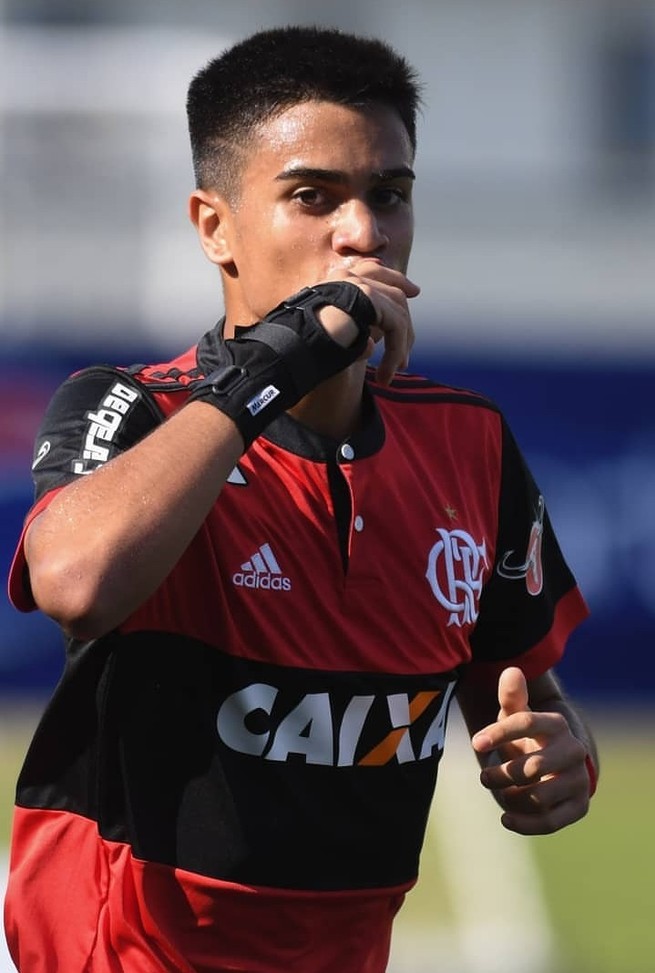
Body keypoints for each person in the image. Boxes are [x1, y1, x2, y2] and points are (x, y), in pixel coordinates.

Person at [4, 24, 597, 973]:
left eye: (389, 195)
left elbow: (525, 692)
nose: (362, 232)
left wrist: (559, 762)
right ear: (214, 226)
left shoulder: (469, 442)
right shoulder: (136, 409)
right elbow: (74, 578)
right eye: (312, 196)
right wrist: (282, 358)